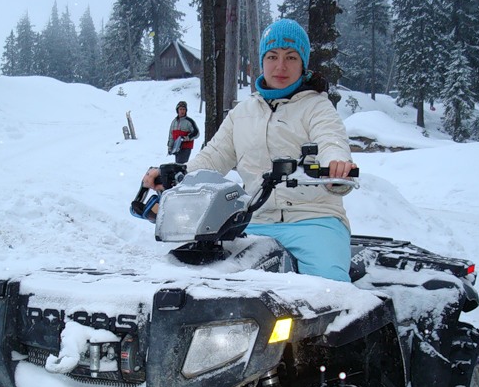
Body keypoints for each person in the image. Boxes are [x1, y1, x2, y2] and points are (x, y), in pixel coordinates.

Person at [145, 19, 357, 282]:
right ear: (262, 61)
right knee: (203, 282)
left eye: (291, 57)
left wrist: (337, 162)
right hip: (253, 222)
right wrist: (179, 176)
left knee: (328, 289)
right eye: (272, 56)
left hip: (313, 220)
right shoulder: (242, 113)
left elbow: (331, 139)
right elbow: (214, 157)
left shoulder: (317, 107)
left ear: (302, 62)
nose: (280, 66)